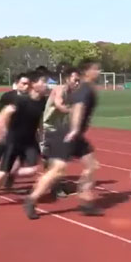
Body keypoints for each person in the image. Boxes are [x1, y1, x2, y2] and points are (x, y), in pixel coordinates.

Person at [23, 59, 104, 219]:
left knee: (91, 166)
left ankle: (85, 202)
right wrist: (74, 130)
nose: (99, 72)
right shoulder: (85, 89)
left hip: (75, 135)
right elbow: (78, 109)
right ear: (87, 71)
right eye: (96, 69)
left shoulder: (82, 88)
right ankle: (31, 200)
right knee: (57, 170)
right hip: (67, 134)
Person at [0, 71, 48, 211]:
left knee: (34, 168)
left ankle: (13, 174)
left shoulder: (42, 101)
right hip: (13, 140)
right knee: (2, 172)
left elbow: (40, 119)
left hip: (30, 140)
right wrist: (4, 131)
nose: (46, 85)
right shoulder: (20, 101)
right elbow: (5, 112)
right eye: (43, 82)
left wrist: (42, 136)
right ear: (34, 85)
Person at [42, 67, 80, 197]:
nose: (77, 83)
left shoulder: (72, 93)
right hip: (48, 128)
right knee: (57, 159)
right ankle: (56, 187)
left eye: (78, 81)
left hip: (59, 129)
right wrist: (72, 111)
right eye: (75, 80)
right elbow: (59, 104)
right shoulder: (60, 89)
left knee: (58, 159)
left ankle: (55, 183)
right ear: (67, 79)